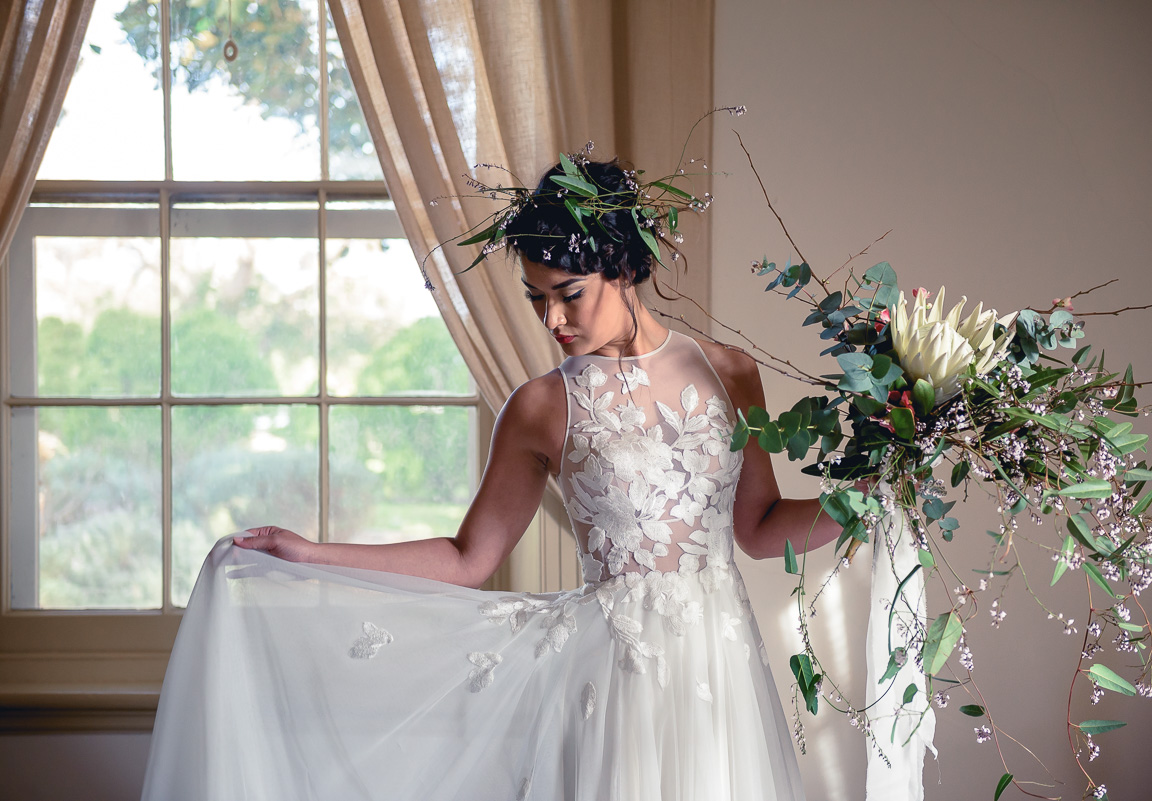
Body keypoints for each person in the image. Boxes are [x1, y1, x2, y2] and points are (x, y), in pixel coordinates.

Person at [141, 155, 847, 801]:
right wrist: (313, 553)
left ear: (624, 265)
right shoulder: (542, 405)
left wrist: (864, 504)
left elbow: (759, 529)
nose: (552, 319)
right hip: (616, 687)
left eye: (567, 293)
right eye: (538, 298)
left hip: (721, 678)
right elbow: (468, 556)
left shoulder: (729, 372)